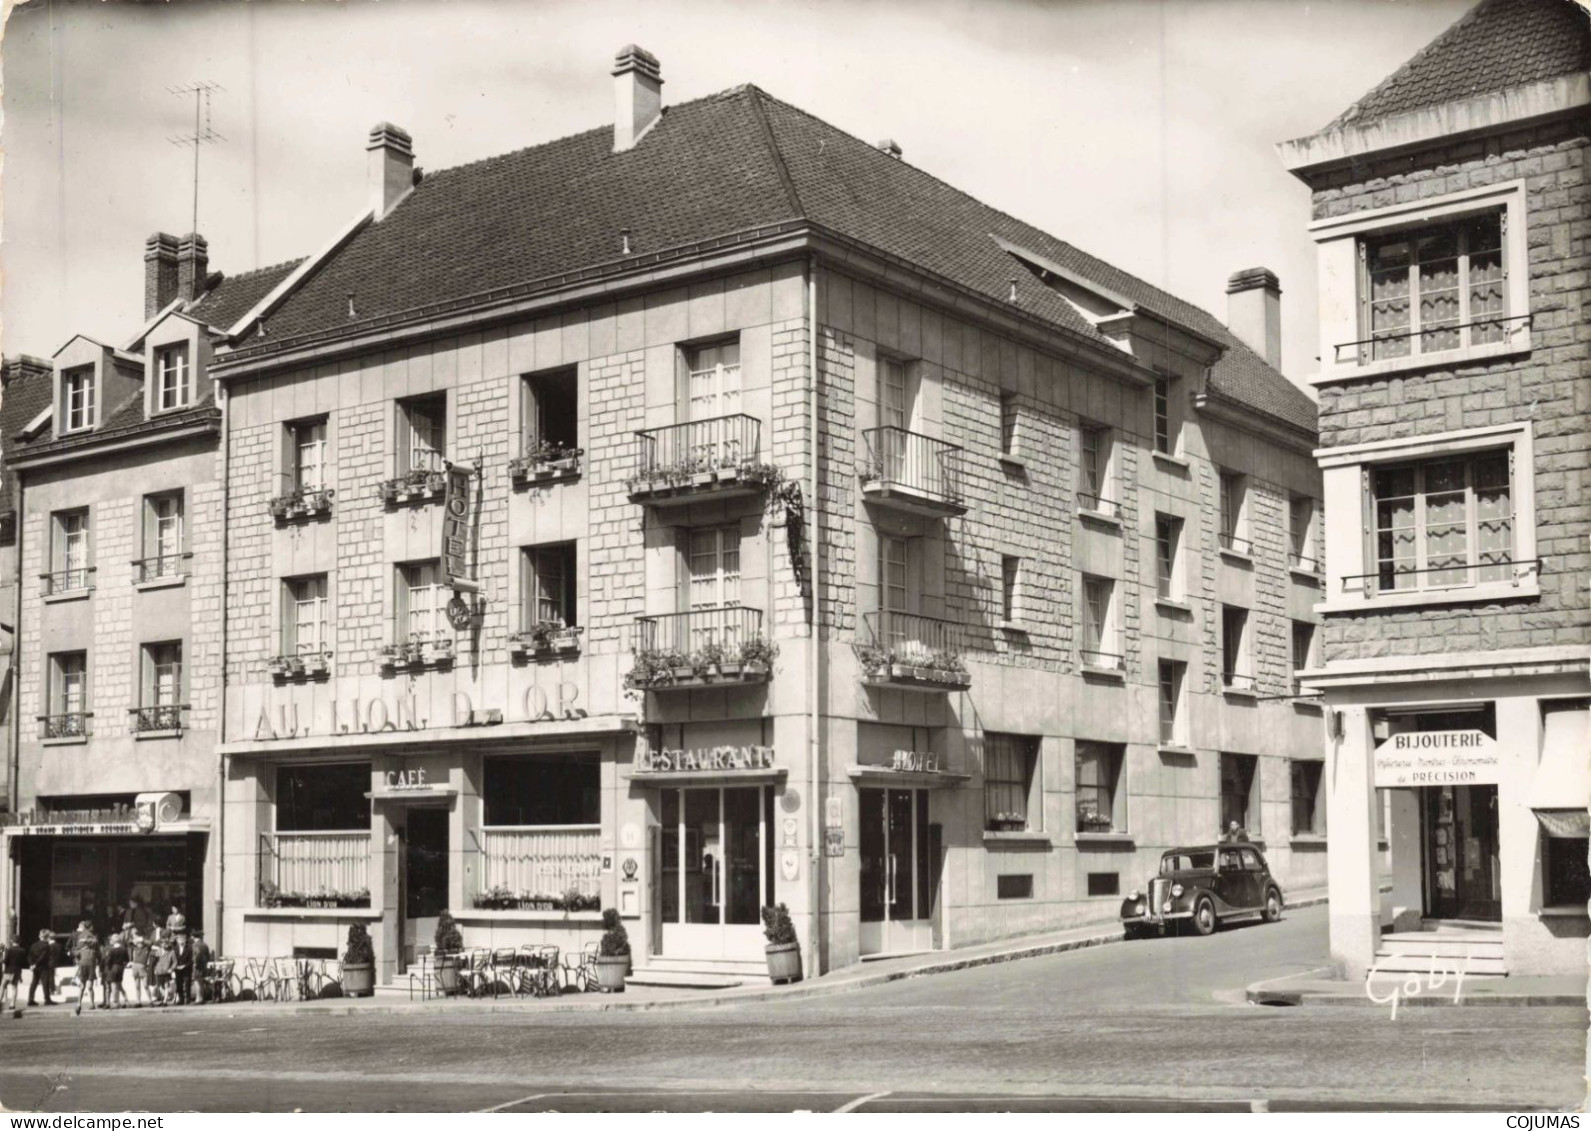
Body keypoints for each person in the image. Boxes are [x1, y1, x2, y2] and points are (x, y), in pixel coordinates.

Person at [26, 929, 57, 1007]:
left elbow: (29, 955)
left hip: (35, 967)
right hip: (43, 966)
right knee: (45, 983)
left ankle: (30, 999)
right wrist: (36, 964)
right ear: (47, 937)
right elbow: (43, 957)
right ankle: (47, 999)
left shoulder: (34, 945)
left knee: (34, 983)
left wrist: (31, 964)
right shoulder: (46, 946)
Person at [73, 931, 100, 1015]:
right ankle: (79, 1004)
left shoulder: (93, 951)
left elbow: (99, 958)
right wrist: (78, 962)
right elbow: (76, 957)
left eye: (87, 943)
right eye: (85, 943)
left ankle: (92, 1003)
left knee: (89, 987)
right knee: (82, 987)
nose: (86, 944)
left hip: (90, 969)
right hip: (84, 969)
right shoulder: (81, 951)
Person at [103, 933, 129, 1009]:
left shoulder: (111, 950)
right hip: (121, 967)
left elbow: (108, 961)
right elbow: (126, 960)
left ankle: (115, 1002)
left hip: (113, 968)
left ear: (114, 941)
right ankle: (126, 999)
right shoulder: (124, 949)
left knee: (114, 985)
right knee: (119, 985)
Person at [1, 933, 26, 1010]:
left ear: (12, 941)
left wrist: (2, 955)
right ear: (20, 941)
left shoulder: (9, 950)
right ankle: (13, 1004)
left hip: (8, 971)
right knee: (14, 987)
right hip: (17, 971)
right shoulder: (23, 950)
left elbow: (5, 961)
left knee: (3, 986)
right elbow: (23, 963)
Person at [127, 931, 152, 1007]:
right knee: (137, 986)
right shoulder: (135, 948)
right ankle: (138, 1001)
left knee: (145, 985)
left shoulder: (146, 949)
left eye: (140, 943)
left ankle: (150, 1001)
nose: (139, 944)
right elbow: (129, 943)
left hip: (143, 967)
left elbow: (150, 943)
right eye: (138, 943)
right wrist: (135, 940)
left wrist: (142, 940)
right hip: (135, 967)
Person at [172, 929, 194, 1005]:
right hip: (177, 969)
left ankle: (187, 999)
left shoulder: (189, 948)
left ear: (185, 940)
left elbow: (192, 959)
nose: (181, 940)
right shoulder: (175, 949)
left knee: (187, 984)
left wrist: (184, 966)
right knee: (179, 984)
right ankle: (180, 999)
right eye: (179, 939)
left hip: (186, 969)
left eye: (183, 939)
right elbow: (173, 958)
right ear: (177, 940)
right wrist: (175, 966)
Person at [190, 931, 213, 1004]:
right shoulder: (205, 945)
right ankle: (201, 998)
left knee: (197, 982)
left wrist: (194, 962)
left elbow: (196, 955)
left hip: (197, 966)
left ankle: (198, 998)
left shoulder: (195, 945)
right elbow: (208, 957)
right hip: (203, 965)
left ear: (193, 937)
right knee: (201, 982)